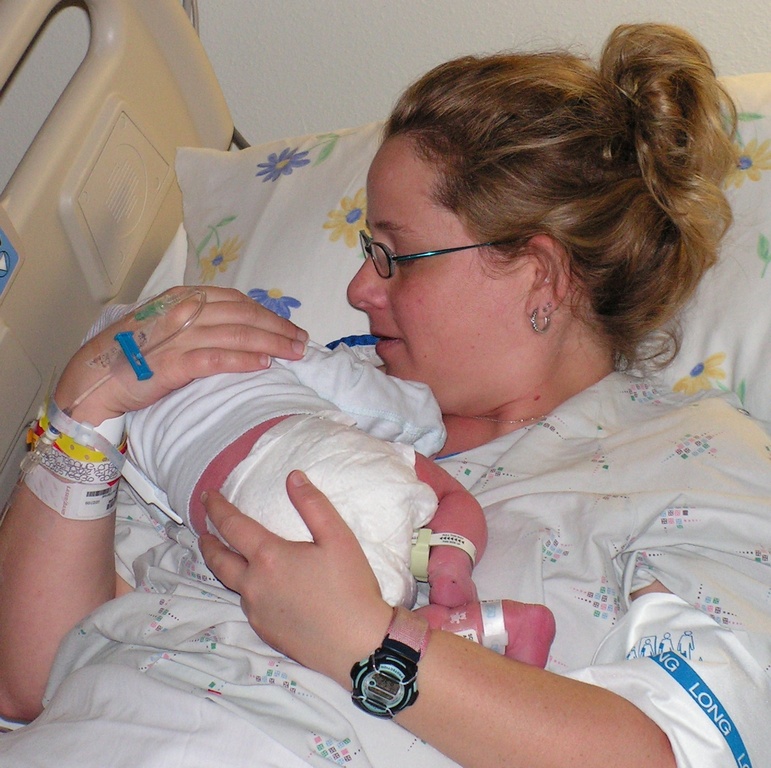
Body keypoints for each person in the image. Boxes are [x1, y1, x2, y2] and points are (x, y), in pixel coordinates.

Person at [1, 21, 770, 768]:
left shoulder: (690, 464)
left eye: (394, 255)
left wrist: (366, 645)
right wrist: (83, 414)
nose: (358, 289)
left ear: (538, 276)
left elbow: (673, 751)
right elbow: (27, 682)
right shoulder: (280, 391)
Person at [123, 332, 555, 661]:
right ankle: (448, 558)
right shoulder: (253, 339)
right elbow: (366, 398)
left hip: (252, 511)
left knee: (364, 633)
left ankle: (468, 626)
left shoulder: (123, 412)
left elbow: (156, 499)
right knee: (445, 493)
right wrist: (424, 424)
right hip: (327, 450)